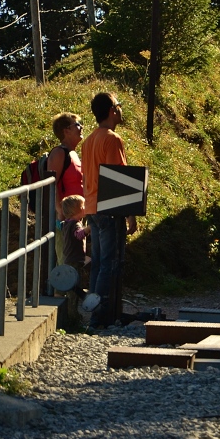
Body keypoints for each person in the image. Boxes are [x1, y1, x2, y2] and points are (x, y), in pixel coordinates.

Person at [81, 92, 137, 328]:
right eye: (119, 105)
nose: (121, 109)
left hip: (91, 207)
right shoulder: (112, 139)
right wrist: (131, 214)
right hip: (109, 208)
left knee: (98, 264)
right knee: (110, 263)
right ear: (112, 110)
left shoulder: (89, 140)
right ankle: (101, 316)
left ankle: (93, 312)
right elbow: (118, 180)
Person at [46, 112, 85, 264]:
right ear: (66, 130)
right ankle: (61, 289)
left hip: (76, 219)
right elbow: (51, 183)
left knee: (75, 262)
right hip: (65, 222)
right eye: (77, 125)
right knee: (65, 263)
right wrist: (60, 211)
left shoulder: (73, 153)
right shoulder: (59, 153)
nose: (81, 127)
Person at [59, 194, 90, 299]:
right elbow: (78, 235)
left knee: (71, 283)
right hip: (75, 258)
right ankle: (73, 312)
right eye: (84, 206)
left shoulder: (66, 223)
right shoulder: (76, 224)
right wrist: (89, 229)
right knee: (75, 284)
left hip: (68, 257)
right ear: (80, 209)